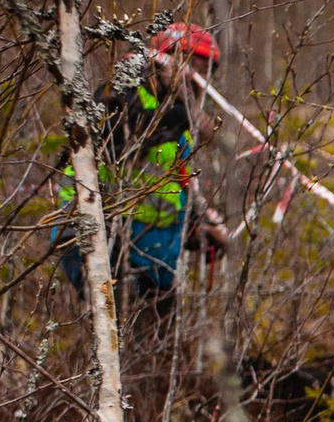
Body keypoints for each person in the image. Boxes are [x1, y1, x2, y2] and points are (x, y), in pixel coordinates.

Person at [57, 23, 227, 308]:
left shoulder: (178, 116)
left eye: (205, 73)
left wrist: (198, 226)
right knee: (117, 327)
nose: (198, 81)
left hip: (150, 254)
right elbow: (120, 144)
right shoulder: (121, 92)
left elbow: (168, 184)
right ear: (165, 59)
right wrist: (182, 117)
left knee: (159, 322)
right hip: (99, 238)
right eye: (193, 68)